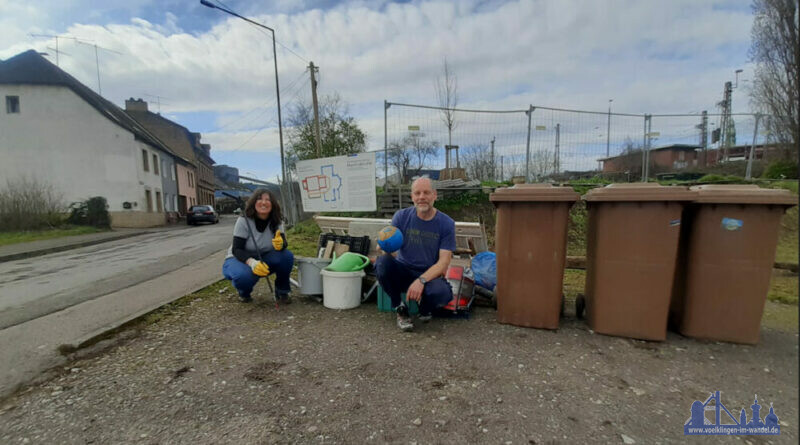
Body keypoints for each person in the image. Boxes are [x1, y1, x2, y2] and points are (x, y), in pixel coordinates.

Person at [376, 177, 456, 331]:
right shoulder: (401, 216)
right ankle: (400, 308)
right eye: (417, 193)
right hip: (403, 270)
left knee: (442, 293)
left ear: (434, 195)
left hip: (428, 275)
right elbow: (390, 251)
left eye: (426, 192)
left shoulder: (446, 223)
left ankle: (424, 308)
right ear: (412, 197)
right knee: (382, 263)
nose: (421, 197)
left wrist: (421, 280)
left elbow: (443, 262)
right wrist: (383, 245)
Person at [222, 188, 294, 303]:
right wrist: (252, 262)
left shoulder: (277, 220)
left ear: (273, 204)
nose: (264, 202)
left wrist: (281, 244)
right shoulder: (244, 220)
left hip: (264, 257)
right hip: (240, 259)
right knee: (243, 276)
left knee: (287, 256)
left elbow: (284, 244)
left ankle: (282, 291)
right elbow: (237, 249)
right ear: (254, 202)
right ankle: (244, 293)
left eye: (268, 200)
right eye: (259, 199)